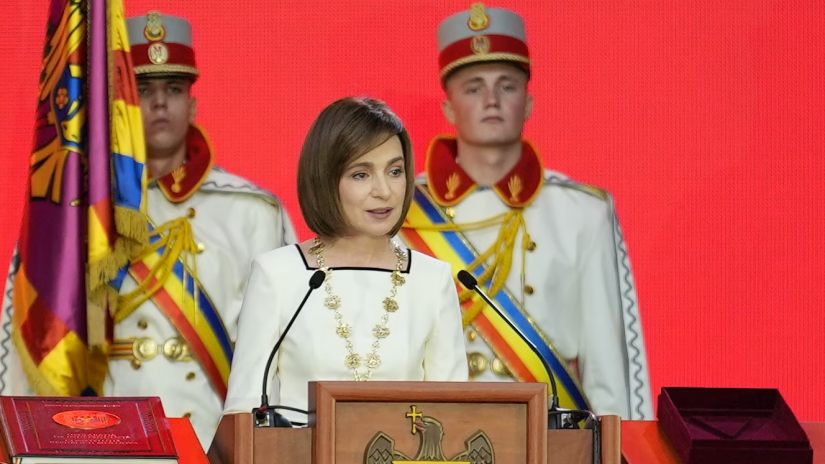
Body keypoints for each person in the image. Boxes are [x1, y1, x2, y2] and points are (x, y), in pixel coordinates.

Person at [0, 11, 296, 449]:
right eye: (143, 90)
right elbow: (35, 339)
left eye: (173, 89)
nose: (159, 103)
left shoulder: (252, 212)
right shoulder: (74, 217)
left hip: (212, 441)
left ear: (192, 104)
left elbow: (283, 348)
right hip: (105, 439)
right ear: (118, 105)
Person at [398, 3, 653, 419]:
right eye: (473, 88)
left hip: (551, 436)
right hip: (435, 432)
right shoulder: (402, 211)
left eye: (507, 86)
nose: (492, 100)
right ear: (448, 108)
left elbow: (610, 366)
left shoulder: (583, 212)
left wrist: (622, 442)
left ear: (529, 103)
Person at [223, 97, 468, 422]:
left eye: (395, 171)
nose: (384, 191)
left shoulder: (432, 280)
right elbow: (244, 414)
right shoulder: (278, 274)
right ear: (326, 179)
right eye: (361, 175)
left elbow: (453, 415)